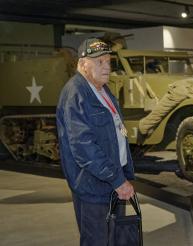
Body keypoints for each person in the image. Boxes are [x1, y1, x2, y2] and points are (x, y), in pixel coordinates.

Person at [56, 38, 135, 246]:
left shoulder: (101, 90)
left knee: (115, 238)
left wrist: (122, 176)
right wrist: (117, 180)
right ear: (83, 64)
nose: (107, 67)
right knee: (97, 240)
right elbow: (84, 148)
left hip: (111, 182)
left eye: (108, 61)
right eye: (99, 62)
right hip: (94, 186)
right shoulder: (76, 93)